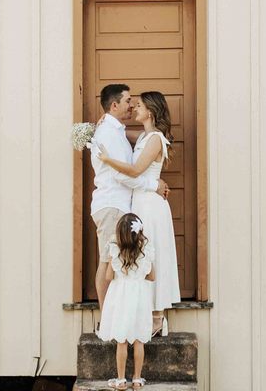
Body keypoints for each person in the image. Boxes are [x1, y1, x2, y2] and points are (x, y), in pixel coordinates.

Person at [94, 90, 182, 336]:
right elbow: (120, 132)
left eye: (140, 105)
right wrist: (102, 123)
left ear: (150, 111)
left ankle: (158, 317)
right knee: (144, 255)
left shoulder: (155, 139)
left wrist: (107, 161)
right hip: (140, 203)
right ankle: (147, 313)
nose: (134, 108)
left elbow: (134, 171)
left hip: (151, 205)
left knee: (155, 255)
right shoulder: (144, 136)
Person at [97, 213, 156, 390]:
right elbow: (152, 277)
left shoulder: (116, 251)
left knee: (121, 340)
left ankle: (121, 380)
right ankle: (137, 379)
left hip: (120, 297)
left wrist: (116, 266)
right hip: (139, 297)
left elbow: (108, 276)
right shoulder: (146, 250)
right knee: (139, 339)